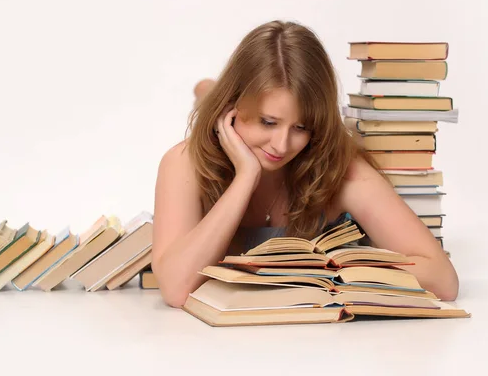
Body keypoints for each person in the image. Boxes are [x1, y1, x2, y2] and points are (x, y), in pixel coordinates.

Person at [151, 20, 459, 307]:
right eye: (268, 122)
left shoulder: (341, 171)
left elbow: (444, 281)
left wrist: (336, 269)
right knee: (206, 96)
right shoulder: (183, 162)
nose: (281, 145)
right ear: (231, 106)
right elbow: (176, 289)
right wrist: (245, 176)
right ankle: (206, 91)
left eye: (301, 127)